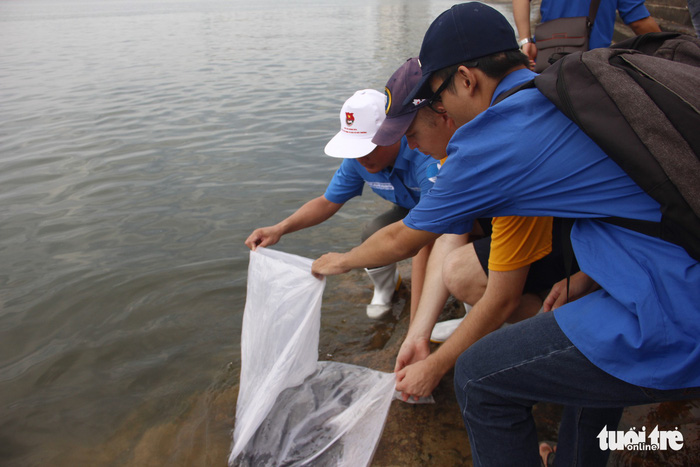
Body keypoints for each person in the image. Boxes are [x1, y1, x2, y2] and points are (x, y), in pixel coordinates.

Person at [312, 3, 699, 466]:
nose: (440, 112)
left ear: (466, 79)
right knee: (579, 340)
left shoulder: (494, 138)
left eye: (436, 98)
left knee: (477, 377)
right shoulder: (563, 85)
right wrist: (590, 276)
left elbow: (405, 240)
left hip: (674, 311)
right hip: (665, 262)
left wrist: (342, 259)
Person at [245, 89, 437, 319]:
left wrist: (417, 323)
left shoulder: (426, 154)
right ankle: (386, 287)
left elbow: (424, 234)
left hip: (446, 214)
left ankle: (465, 308)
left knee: (434, 246)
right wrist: (279, 229)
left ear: (394, 133)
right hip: (411, 209)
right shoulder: (357, 161)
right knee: (373, 233)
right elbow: (327, 203)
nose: (361, 158)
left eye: (368, 147)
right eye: (354, 149)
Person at [512, 0, 661, 66]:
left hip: (548, 55)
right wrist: (666, 48)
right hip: (592, 61)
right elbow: (639, 21)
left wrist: (526, 40)